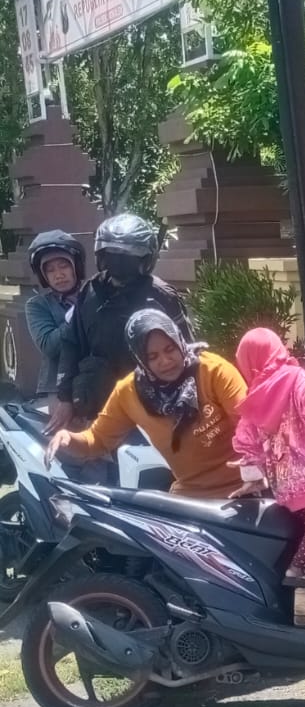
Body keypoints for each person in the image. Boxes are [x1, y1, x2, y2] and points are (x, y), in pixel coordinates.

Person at [46, 309, 245, 499]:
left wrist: (258, 473)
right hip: (192, 498)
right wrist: (68, 439)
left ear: (179, 341)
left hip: (245, 488)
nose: (165, 361)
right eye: (152, 356)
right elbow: (96, 441)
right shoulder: (130, 392)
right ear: (140, 359)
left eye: (170, 349)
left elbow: (250, 424)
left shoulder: (213, 371)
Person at [46, 213, 191, 433]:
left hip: (151, 411)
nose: (119, 261)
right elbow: (71, 344)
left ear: (145, 258)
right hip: (96, 407)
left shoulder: (161, 295)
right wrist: (65, 399)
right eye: (113, 254)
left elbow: (187, 351)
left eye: (127, 255)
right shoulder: (90, 291)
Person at [230, 328, 305, 584]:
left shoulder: (256, 396)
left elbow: (246, 442)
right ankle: (302, 569)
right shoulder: (295, 377)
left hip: (285, 485)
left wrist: (252, 479)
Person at [24, 230, 84, 397]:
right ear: (44, 276)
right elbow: (49, 346)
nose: (58, 275)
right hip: (58, 389)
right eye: (50, 270)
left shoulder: (93, 293)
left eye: (64, 266)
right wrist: (78, 311)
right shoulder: (37, 305)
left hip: (97, 383)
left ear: (75, 268)